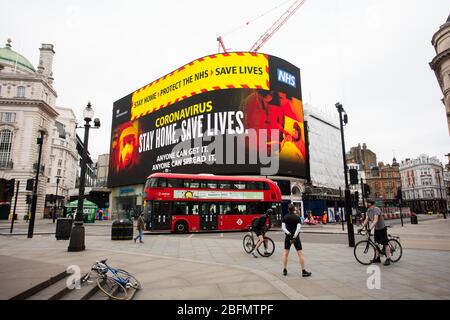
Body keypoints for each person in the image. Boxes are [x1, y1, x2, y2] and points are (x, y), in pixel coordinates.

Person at [282, 204, 312, 277]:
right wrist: (294, 236)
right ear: (294, 209)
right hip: (296, 238)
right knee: (300, 254)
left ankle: (284, 270)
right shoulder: (297, 217)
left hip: (287, 237)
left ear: (288, 209)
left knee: (285, 254)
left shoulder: (285, 217)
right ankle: (303, 271)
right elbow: (298, 228)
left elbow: (283, 228)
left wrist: (289, 234)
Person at [359, 200, 391, 266]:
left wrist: (370, 229)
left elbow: (376, 220)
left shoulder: (376, 209)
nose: (364, 204)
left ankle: (388, 259)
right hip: (376, 229)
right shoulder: (368, 211)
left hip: (382, 228)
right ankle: (377, 258)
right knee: (376, 243)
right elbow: (367, 219)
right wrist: (361, 228)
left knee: (385, 243)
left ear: (369, 203)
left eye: (365, 203)